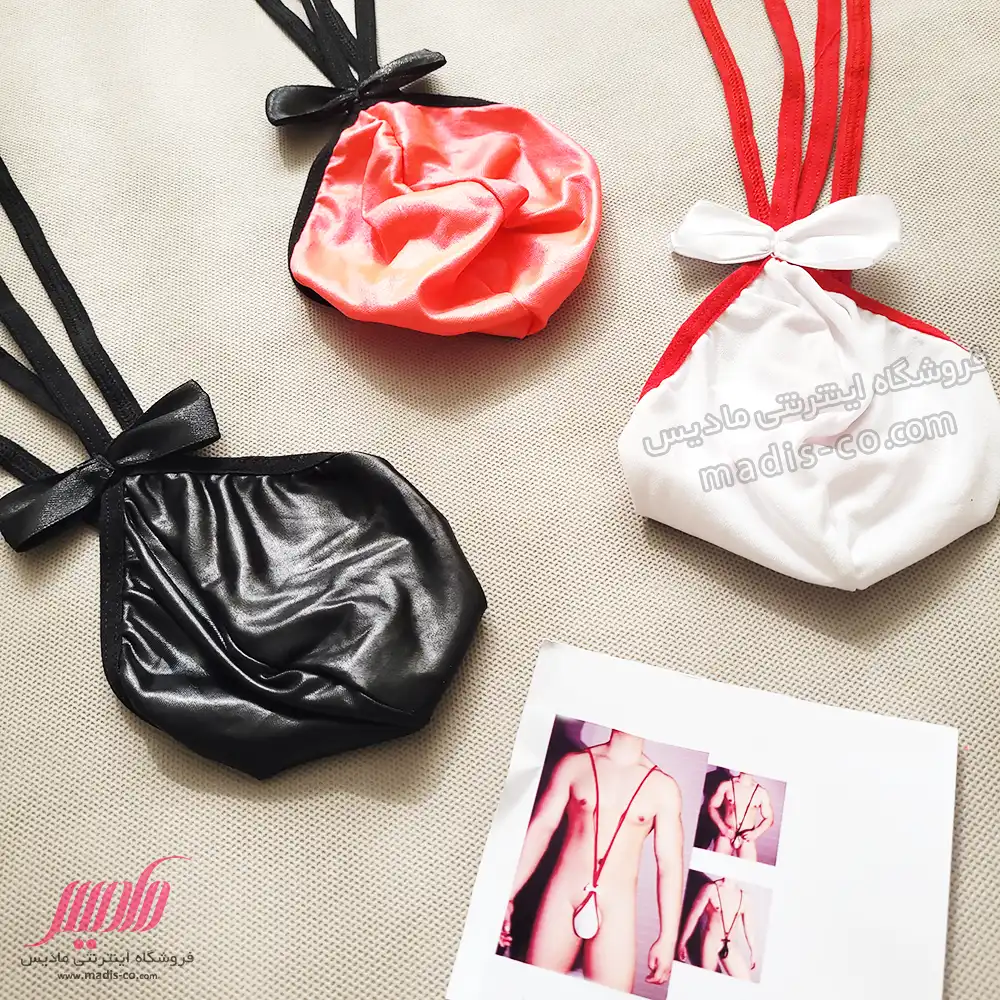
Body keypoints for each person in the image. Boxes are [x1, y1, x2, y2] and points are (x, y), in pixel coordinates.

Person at [499, 730, 684, 992]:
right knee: (533, 990)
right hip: (563, 896)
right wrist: (507, 895)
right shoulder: (575, 765)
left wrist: (668, 938)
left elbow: (669, 865)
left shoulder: (664, 788)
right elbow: (542, 827)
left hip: (617, 907)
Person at [677, 877, 757, 980]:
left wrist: (753, 952)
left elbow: (748, 927)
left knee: (745, 980)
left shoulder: (744, 897)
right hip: (711, 943)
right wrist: (682, 943)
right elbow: (694, 916)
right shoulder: (711, 889)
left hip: (730, 946)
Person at [706, 771, 774, 862]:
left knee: (747, 870)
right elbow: (712, 806)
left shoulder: (761, 792)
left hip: (746, 837)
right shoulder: (727, 785)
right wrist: (722, 827)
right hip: (727, 833)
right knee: (716, 866)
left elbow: (769, 818)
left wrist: (756, 833)